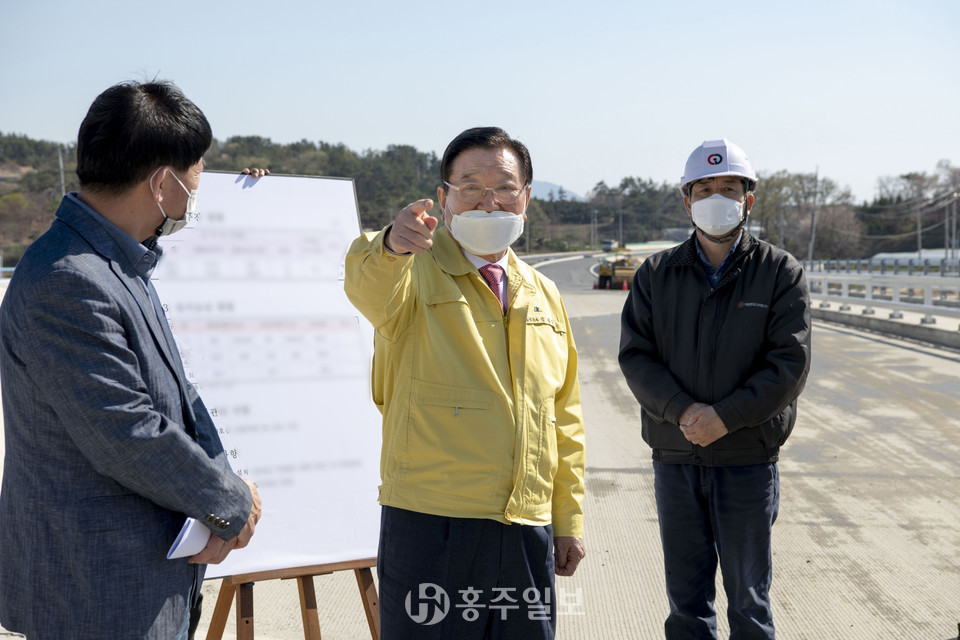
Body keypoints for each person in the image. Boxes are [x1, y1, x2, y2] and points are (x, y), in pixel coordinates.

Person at [0, 81, 263, 640]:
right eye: (196, 171)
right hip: (95, 587)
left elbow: (179, 392)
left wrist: (225, 479)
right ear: (163, 182)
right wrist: (229, 500)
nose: (199, 187)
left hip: (137, 575)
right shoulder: (69, 279)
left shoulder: (117, 261)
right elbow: (127, 431)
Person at [344, 126, 586, 639]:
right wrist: (391, 243)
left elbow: (562, 416)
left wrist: (567, 520)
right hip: (434, 524)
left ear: (526, 198)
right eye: (470, 185)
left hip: (527, 525)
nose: (487, 200)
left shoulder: (543, 294)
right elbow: (366, 282)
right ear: (443, 197)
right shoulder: (410, 269)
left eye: (503, 185)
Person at [618, 139, 811, 639]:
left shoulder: (779, 272)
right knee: (686, 603)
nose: (716, 197)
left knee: (749, 601)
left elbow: (788, 364)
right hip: (676, 460)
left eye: (729, 187)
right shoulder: (657, 274)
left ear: (749, 199)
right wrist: (682, 412)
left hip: (746, 460)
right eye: (704, 189)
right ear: (687, 200)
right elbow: (637, 357)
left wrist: (725, 417)